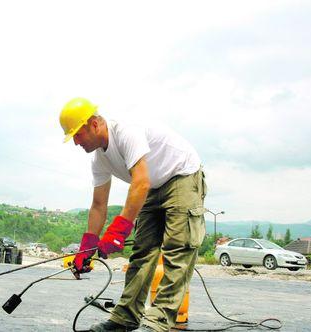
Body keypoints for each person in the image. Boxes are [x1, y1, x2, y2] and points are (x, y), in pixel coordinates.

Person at [59, 98, 207, 332]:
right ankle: (125, 318)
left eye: (77, 134)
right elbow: (98, 205)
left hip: (181, 174)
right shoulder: (99, 160)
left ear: (94, 124)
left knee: (178, 249)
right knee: (142, 252)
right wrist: (87, 246)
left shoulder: (126, 131)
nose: (76, 142)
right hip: (152, 186)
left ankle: (157, 321)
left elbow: (140, 181)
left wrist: (118, 231)